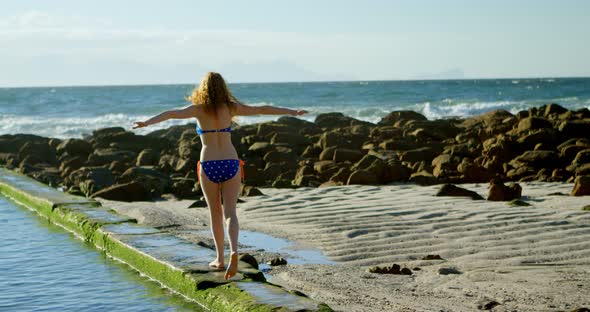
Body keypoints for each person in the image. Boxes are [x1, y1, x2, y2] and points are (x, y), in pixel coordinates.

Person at [133, 72, 307, 280]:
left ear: (203, 88)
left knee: (215, 212)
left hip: (209, 164)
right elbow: (261, 109)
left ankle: (220, 258)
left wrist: (145, 123)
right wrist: (292, 111)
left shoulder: (197, 110)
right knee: (230, 213)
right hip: (231, 162)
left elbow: (170, 114)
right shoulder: (231, 107)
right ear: (223, 87)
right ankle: (234, 249)